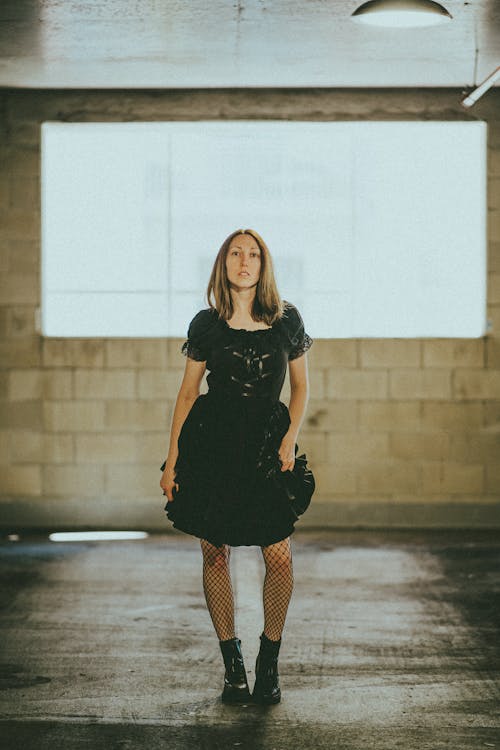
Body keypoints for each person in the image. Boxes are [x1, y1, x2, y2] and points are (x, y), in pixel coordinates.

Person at [160, 228, 315, 705]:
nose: (244, 261)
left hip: (267, 446)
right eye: (235, 254)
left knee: (279, 555)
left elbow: (301, 388)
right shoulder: (206, 324)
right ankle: (232, 665)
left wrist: (290, 438)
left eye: (253, 254)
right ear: (223, 264)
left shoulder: (287, 321)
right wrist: (172, 460)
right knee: (214, 551)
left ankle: (269, 661)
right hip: (213, 445)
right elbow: (188, 394)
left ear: (264, 265)